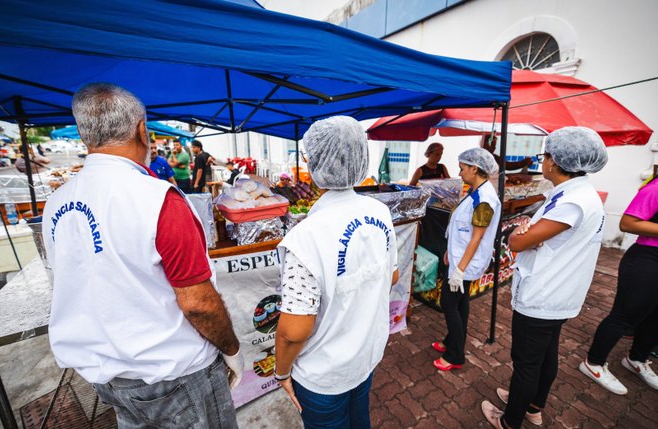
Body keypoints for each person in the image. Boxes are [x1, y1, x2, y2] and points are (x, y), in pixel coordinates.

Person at [43, 83, 242, 428]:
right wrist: (232, 349)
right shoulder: (158, 199)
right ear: (141, 130)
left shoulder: (58, 201)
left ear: (84, 134)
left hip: (108, 377)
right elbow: (199, 303)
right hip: (174, 375)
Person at [274, 116, 399, 428]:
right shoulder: (379, 212)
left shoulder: (308, 235)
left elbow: (293, 330)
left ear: (316, 163)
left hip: (323, 376)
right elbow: (391, 276)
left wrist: (281, 372)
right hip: (365, 357)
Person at [481, 127, 608, 429]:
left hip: (545, 293)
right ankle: (533, 405)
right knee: (547, 353)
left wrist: (520, 233)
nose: (543, 162)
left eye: (545, 156)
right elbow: (540, 235)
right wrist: (530, 231)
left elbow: (517, 242)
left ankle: (510, 420)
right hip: (560, 291)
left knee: (527, 362)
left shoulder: (573, 201)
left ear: (555, 161)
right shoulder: (578, 193)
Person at [579, 138, 658, 395]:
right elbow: (629, 223)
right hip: (650, 257)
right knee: (626, 315)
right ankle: (594, 362)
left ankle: (637, 359)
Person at [432, 148, 501, 371]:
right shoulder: (476, 190)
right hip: (459, 258)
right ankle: (451, 341)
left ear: (474, 169)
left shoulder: (484, 199)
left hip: (466, 263)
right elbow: (461, 228)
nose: (460, 173)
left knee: (448, 303)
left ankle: (455, 356)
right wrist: (449, 251)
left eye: (462, 169)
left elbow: (477, 237)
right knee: (460, 303)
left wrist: (460, 270)